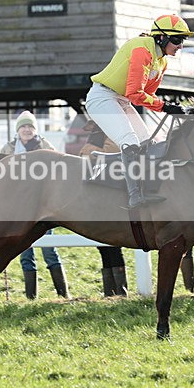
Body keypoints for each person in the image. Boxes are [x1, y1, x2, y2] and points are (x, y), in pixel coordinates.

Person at [86, 13, 194, 209]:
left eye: (182, 41)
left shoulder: (162, 61)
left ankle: (146, 188)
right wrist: (165, 107)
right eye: (177, 40)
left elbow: (147, 96)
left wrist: (168, 107)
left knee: (148, 142)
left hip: (121, 100)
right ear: (161, 37)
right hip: (102, 98)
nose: (180, 46)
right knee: (130, 141)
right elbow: (136, 94)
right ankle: (134, 195)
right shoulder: (142, 49)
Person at [1, 111, 70, 299]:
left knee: (49, 250)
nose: (26, 129)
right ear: (18, 130)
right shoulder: (8, 149)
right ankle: (31, 297)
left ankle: (63, 294)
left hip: (43, 206)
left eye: (30, 126)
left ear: (35, 130)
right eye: (23, 126)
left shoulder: (46, 146)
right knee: (24, 251)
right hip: (19, 206)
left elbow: (58, 172)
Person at [78, 119, 128, 296]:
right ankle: (110, 291)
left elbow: (111, 152)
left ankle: (120, 291)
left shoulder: (112, 127)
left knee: (113, 244)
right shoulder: (98, 130)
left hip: (112, 189)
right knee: (102, 245)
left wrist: (89, 150)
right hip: (98, 188)